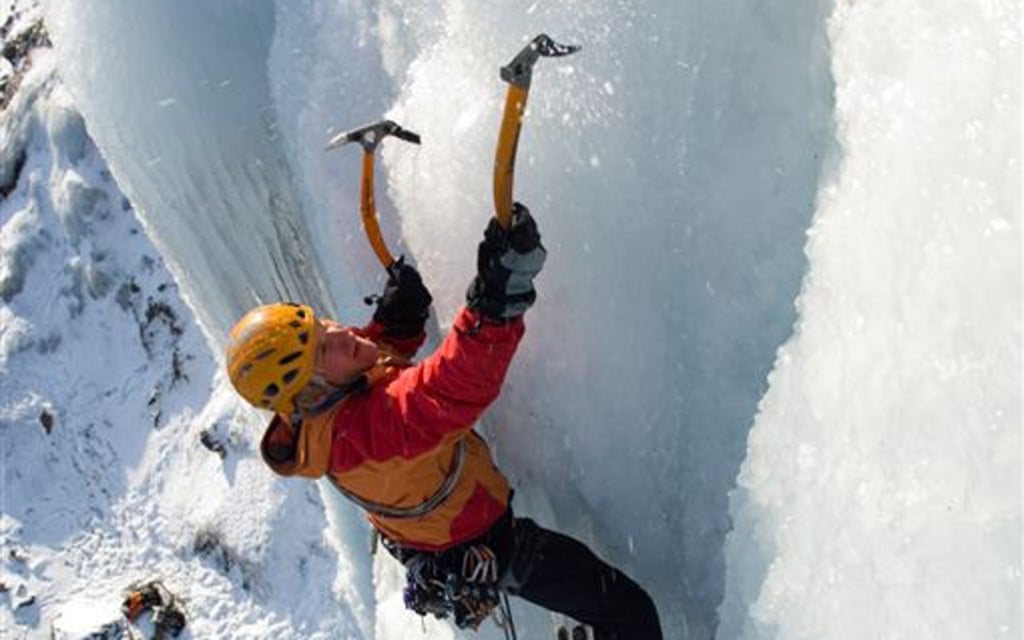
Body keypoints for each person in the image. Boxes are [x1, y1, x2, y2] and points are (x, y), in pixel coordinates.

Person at [226, 204, 662, 639]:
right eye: (323, 349)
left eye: (323, 325)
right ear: (311, 390)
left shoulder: (311, 417)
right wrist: (495, 306)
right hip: (479, 544)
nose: (343, 335)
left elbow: (366, 379)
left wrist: (394, 326)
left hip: (439, 542)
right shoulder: (364, 438)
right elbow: (446, 390)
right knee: (630, 617)